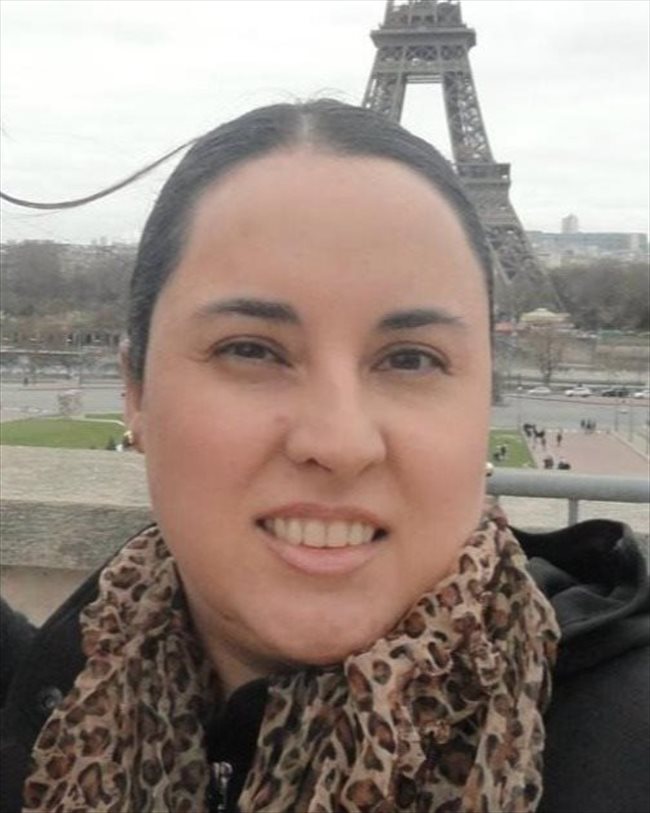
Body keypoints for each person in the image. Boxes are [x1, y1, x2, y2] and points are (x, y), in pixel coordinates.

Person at [1, 100, 648, 813]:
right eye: (251, 350)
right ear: (135, 391)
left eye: (411, 358)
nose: (340, 443)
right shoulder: (56, 681)